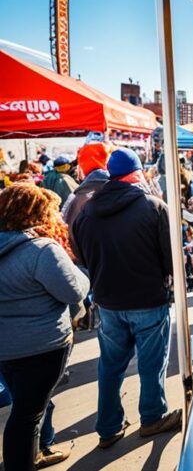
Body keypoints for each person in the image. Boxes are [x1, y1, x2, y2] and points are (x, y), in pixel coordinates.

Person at [71, 148, 181, 448]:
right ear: (136, 174)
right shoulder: (153, 207)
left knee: (110, 366)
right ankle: (152, 417)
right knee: (151, 364)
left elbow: (80, 254)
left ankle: (108, 427)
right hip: (148, 300)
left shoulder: (86, 212)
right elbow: (171, 259)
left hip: (108, 301)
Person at [0, 184, 89, 469]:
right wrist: (83, 276)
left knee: (26, 409)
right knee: (27, 415)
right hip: (41, 346)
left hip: (7, 348)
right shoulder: (40, 249)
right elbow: (74, 291)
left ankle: (35, 452)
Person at [62, 142, 112, 259]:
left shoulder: (76, 199)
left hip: (89, 268)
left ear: (82, 167)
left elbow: (70, 239)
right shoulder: (129, 190)